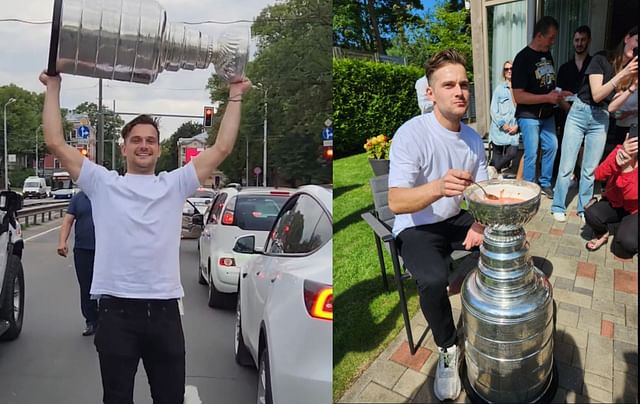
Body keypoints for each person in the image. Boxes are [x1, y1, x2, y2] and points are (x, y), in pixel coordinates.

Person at [40, 71, 251, 403]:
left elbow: (222, 146)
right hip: (115, 315)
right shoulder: (102, 183)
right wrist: (53, 87)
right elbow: (55, 142)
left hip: (164, 314)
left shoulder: (175, 183)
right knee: (117, 398)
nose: (143, 145)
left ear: (158, 148)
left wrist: (236, 93)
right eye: (136, 140)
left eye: (150, 140)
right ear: (124, 148)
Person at [388, 49, 488, 402]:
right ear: (430, 93)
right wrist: (438, 187)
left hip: (454, 219)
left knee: (504, 237)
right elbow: (396, 202)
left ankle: (487, 311)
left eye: (464, 84)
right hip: (417, 226)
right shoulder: (412, 134)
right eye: (449, 85)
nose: (459, 91)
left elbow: (483, 192)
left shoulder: (473, 139)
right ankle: (447, 348)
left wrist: (478, 224)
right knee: (431, 280)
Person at [551, 26, 638, 222]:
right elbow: (598, 95)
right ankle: (558, 205)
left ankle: (584, 208)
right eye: (637, 41)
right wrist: (623, 75)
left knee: (590, 169)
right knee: (567, 164)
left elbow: (611, 106)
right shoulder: (601, 59)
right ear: (627, 38)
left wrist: (632, 87)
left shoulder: (630, 73)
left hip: (601, 118)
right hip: (580, 112)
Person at [512, 16, 572, 198]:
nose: (553, 42)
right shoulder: (522, 58)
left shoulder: (547, 54)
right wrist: (547, 97)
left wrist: (559, 93)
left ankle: (545, 183)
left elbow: (547, 83)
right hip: (529, 115)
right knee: (531, 152)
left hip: (547, 114)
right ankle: (530, 188)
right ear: (539, 35)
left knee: (552, 145)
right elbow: (518, 95)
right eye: (551, 38)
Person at [584, 133, 637, 258]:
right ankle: (605, 233)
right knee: (591, 214)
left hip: (635, 210)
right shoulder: (621, 150)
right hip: (616, 203)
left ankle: (621, 227)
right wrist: (616, 161)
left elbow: (632, 195)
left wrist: (626, 169)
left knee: (625, 246)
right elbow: (598, 175)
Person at [57, 190, 98, 336]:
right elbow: (68, 221)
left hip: (106, 251)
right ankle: (91, 321)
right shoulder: (78, 199)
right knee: (86, 286)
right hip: (83, 249)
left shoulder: (107, 193)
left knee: (107, 287)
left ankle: (107, 321)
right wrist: (62, 242)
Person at [555, 25, 593, 180]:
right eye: (577, 40)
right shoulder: (564, 68)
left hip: (589, 115)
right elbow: (558, 94)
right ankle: (568, 178)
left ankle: (582, 178)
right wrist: (569, 110)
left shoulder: (594, 65)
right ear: (573, 42)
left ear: (588, 41)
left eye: (583, 40)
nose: (579, 43)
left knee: (585, 150)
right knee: (568, 148)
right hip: (567, 114)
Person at [488, 60, 520, 175]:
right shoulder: (499, 89)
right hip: (499, 131)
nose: (509, 71)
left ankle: (491, 171)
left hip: (513, 131)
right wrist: (502, 124)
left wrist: (517, 126)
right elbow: (493, 109)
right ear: (504, 72)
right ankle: (496, 178)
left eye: (512, 68)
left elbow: (523, 110)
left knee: (512, 153)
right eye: (507, 69)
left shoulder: (520, 89)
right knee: (497, 160)